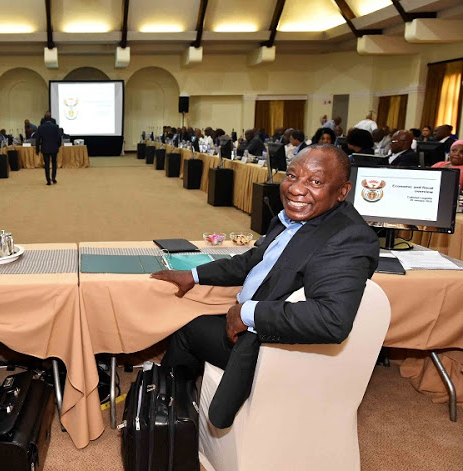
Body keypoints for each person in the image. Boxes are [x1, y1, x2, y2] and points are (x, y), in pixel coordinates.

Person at [152, 145, 379, 429]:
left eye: (315, 181)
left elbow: (331, 319)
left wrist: (247, 313)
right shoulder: (295, 217)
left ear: (343, 192)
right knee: (194, 313)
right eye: (292, 176)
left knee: (187, 328)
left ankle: (166, 413)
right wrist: (193, 275)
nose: (296, 189)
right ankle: (176, 396)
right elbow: (253, 259)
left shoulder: (348, 238)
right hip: (259, 320)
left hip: (272, 348)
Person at [35, 118, 61, 185]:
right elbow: (59, 137)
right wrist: (58, 145)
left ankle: (48, 180)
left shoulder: (40, 127)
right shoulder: (56, 127)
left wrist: (37, 149)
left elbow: (37, 139)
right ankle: (53, 178)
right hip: (54, 148)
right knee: (54, 163)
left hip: (45, 148)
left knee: (46, 164)